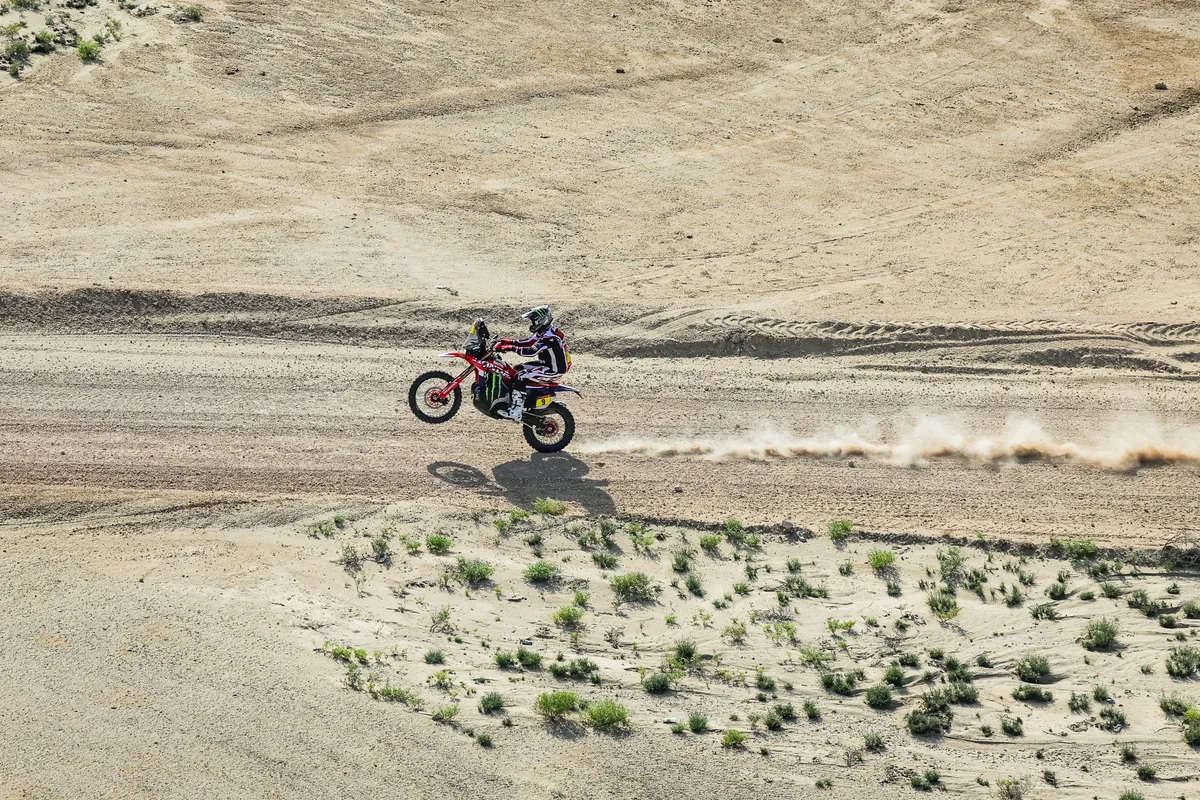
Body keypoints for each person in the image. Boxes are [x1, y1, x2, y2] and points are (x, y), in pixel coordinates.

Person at [493, 305, 569, 420]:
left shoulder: (550, 337)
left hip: (554, 369)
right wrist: (507, 341)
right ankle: (517, 400)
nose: (532, 323)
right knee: (517, 369)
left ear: (541, 320)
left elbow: (532, 351)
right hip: (546, 364)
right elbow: (528, 342)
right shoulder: (545, 331)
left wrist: (510, 348)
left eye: (534, 320)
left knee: (522, 376)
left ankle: (516, 411)